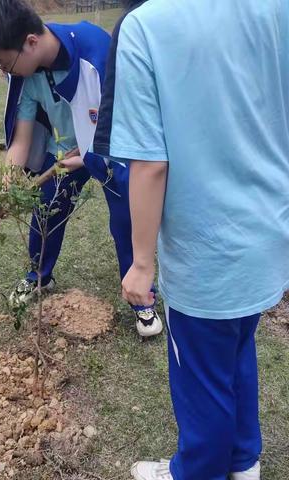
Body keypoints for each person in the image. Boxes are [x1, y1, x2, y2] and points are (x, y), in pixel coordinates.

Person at [95, 0, 289, 478]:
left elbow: (149, 163)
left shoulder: (146, 25)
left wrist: (142, 263)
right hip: (266, 236)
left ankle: (196, 470)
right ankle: (245, 462)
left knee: (201, 380)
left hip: (206, 253)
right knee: (238, 350)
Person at [0, 0, 163, 337]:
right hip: (63, 155)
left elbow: (126, 116)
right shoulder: (27, 77)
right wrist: (5, 191)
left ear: (30, 42)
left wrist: (90, 155)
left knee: (125, 220)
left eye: (4, 62)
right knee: (46, 210)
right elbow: (21, 141)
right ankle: (38, 276)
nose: (5, 72)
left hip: (108, 152)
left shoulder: (95, 50)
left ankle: (142, 298)